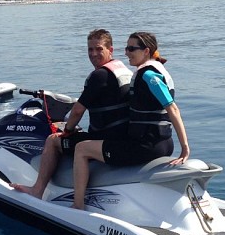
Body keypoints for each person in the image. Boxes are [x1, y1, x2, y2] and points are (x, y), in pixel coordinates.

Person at [70, 31, 190, 210]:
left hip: (146, 146)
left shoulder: (149, 76)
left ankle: (77, 205)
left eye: (132, 48)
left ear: (146, 51)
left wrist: (185, 148)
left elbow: (172, 108)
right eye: (126, 48)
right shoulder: (154, 70)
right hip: (163, 142)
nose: (126, 52)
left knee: (81, 149)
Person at [11, 29, 133, 199]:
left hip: (105, 139)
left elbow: (77, 110)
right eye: (90, 49)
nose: (93, 54)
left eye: (99, 49)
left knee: (53, 140)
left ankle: (37, 190)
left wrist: (67, 130)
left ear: (110, 50)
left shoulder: (100, 75)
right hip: (123, 135)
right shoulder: (124, 70)